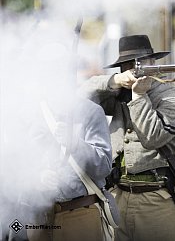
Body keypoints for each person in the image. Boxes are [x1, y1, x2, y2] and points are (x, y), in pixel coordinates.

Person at [79, 35, 175, 241]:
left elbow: (153, 138)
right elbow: (78, 97)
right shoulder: (120, 92)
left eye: (139, 63)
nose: (133, 69)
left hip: (157, 198)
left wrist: (139, 96)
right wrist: (113, 81)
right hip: (118, 195)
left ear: (152, 63)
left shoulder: (173, 98)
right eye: (127, 66)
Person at [15, 40, 114, 241]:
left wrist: (76, 144)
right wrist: (38, 177)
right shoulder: (29, 114)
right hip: (38, 215)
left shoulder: (90, 112)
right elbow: (16, 165)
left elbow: (104, 167)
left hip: (79, 211)